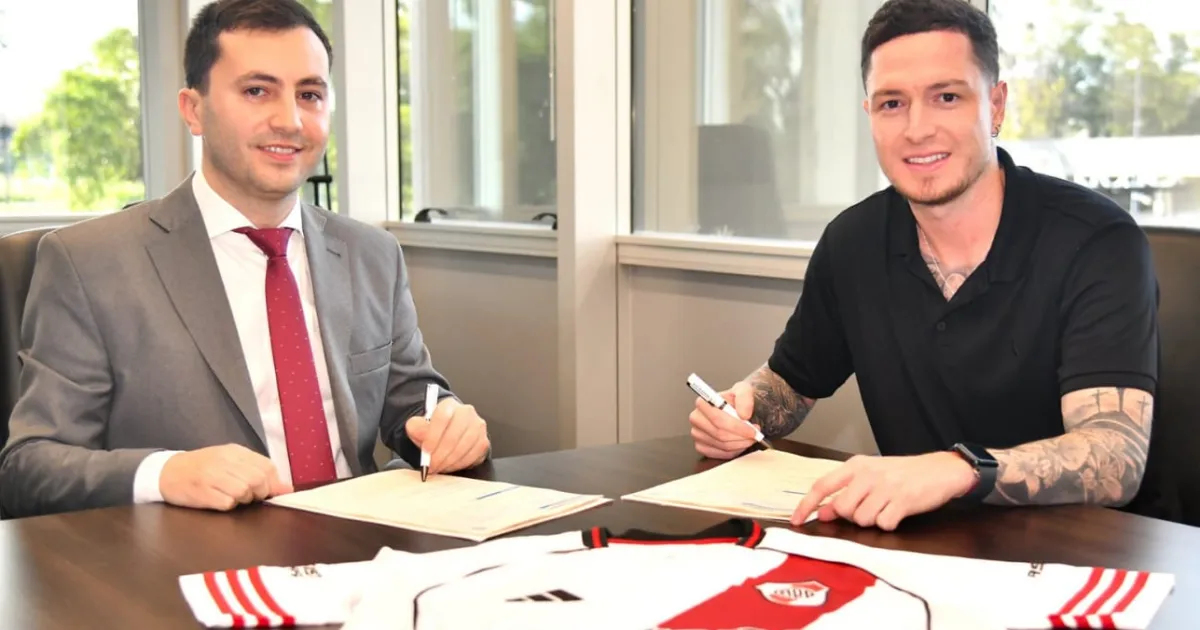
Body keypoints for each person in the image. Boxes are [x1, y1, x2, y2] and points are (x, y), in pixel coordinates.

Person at [0, 0, 490, 518]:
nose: (290, 120)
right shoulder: (89, 262)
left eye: (309, 94)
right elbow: (29, 466)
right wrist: (166, 472)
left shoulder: (372, 254)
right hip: (197, 554)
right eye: (257, 91)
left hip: (366, 541)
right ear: (193, 109)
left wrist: (447, 422)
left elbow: (412, 400)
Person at [688, 0, 1158, 531]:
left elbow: (1115, 459)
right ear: (870, 115)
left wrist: (959, 470)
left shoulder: (1097, 240)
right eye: (892, 103)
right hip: (917, 542)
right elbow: (790, 385)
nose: (917, 129)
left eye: (947, 97)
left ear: (996, 105)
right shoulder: (853, 242)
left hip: (1082, 554)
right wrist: (741, 409)